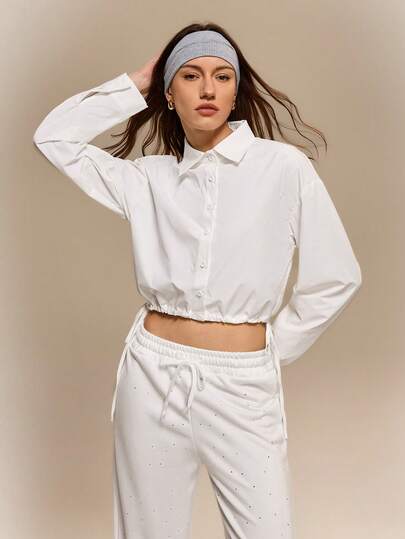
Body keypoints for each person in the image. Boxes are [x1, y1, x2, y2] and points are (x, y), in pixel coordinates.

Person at [33, 23, 362, 539]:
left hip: (242, 383)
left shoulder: (283, 169)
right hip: (151, 375)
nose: (208, 88)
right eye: (190, 75)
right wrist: (135, 83)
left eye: (222, 76)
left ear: (235, 91)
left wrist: (271, 348)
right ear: (169, 93)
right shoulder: (147, 178)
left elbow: (336, 275)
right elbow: (52, 138)